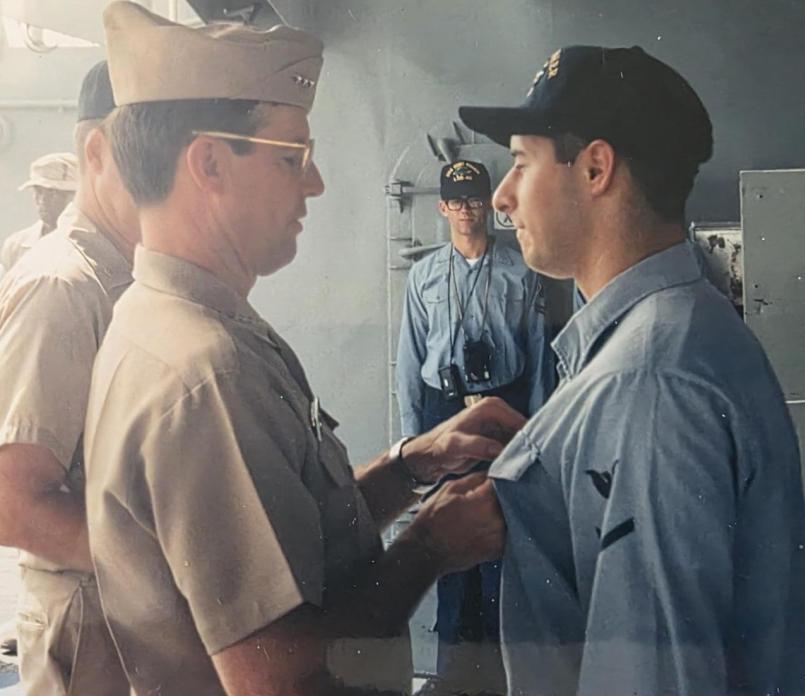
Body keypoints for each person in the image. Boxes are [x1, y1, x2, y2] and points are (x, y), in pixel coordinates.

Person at [84, 4, 523, 695]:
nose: (314, 184)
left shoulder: (181, 325)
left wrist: (409, 467)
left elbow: (293, 543)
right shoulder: (205, 375)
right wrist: (429, 546)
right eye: (295, 157)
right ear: (209, 165)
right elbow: (278, 678)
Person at [459, 45, 805, 696]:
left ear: (595, 168)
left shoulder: (647, 383)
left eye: (521, 163)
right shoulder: (683, 330)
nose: (500, 196)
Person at [0, 60, 135, 695]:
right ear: (98, 150)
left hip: (129, 612)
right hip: (88, 620)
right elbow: (13, 503)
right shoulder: (63, 285)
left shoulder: (127, 276)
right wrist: (161, 568)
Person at [396, 160, 553, 695]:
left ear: (488, 205)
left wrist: (529, 442)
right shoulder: (424, 277)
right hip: (445, 414)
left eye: (474, 199)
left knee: (497, 540)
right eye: (456, 201)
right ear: (442, 208)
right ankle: (452, 678)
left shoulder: (521, 272)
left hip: (505, 411)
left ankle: (501, 678)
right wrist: (414, 458)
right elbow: (408, 366)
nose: (466, 210)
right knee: (445, 537)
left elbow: (539, 362)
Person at [1, 152, 78, 271]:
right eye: (38, 191)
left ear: (75, 196)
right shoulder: (16, 246)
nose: (42, 200)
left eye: (53, 193)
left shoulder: (95, 246)